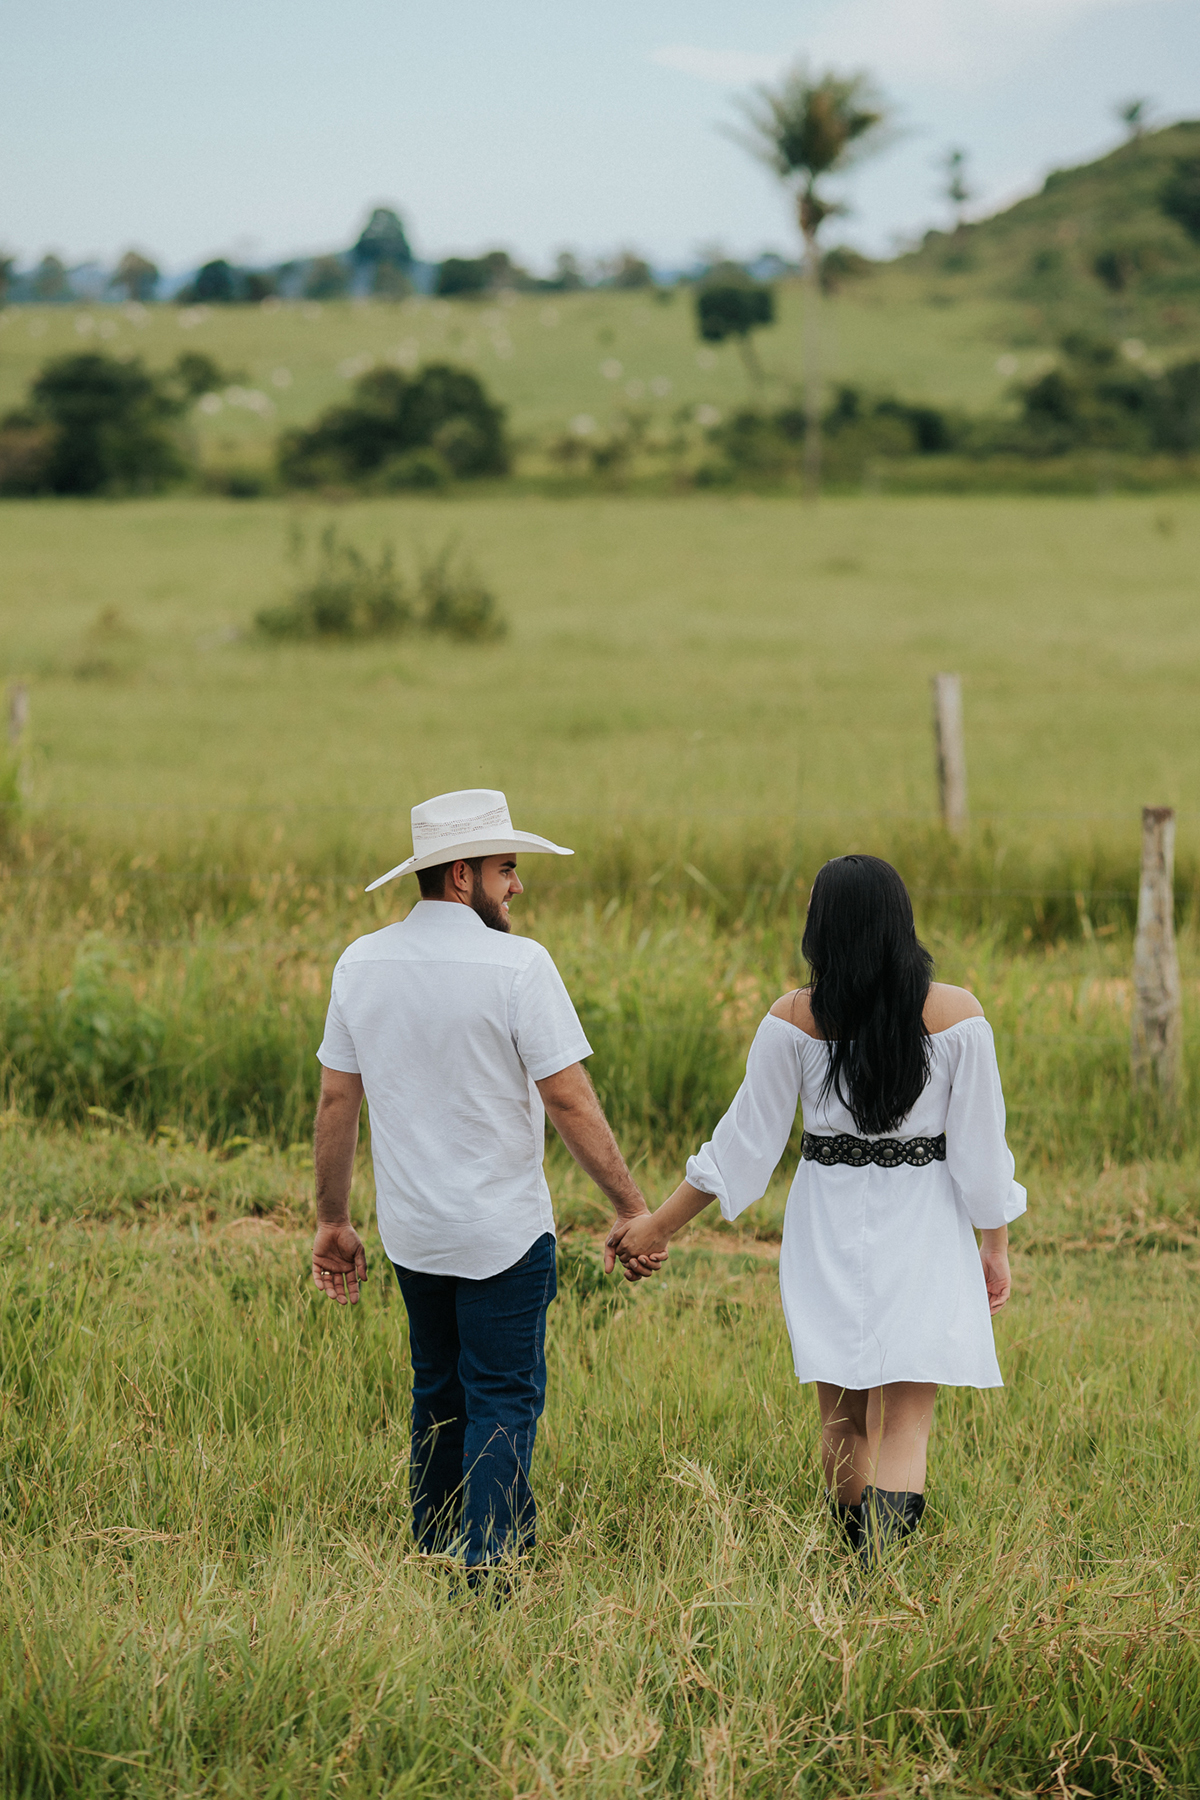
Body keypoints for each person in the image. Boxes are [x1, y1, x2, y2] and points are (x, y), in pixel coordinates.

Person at [607, 853, 1026, 1568]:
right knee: (907, 1423)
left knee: (841, 1413)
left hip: (826, 1221)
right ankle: (880, 1576)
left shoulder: (794, 1018)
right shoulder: (960, 1016)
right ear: (901, 922)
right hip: (924, 1218)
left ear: (820, 928)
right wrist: (995, 1245)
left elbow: (742, 1146)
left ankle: (853, 1556)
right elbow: (983, 1156)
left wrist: (656, 1225)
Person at [310, 788, 660, 1586]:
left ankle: (434, 1544)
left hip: (414, 1232)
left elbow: (337, 1100)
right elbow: (567, 1097)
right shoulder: (519, 965)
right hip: (503, 1234)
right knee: (503, 1397)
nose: (518, 887)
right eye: (508, 870)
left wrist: (333, 1219)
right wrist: (631, 1207)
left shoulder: (360, 962)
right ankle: (490, 1569)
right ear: (461, 876)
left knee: (437, 1388)